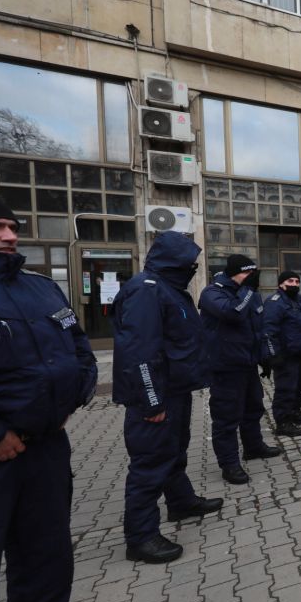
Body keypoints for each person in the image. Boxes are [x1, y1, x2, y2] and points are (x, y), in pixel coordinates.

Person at [0, 198, 97, 602]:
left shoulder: (41, 288)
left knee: (46, 557)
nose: (9, 235)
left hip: (46, 448)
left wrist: (71, 400)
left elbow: (78, 346)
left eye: (12, 226)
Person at [112, 231, 223, 563]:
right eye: (189, 261)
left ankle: (180, 502)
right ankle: (141, 537)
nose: (194, 266)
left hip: (175, 391)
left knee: (174, 453)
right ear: (172, 260)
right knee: (149, 465)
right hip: (155, 398)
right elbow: (139, 354)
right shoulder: (146, 292)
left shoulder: (170, 290)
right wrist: (151, 402)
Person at [199, 255, 282, 485]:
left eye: (252, 274)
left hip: (247, 364)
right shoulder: (212, 293)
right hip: (225, 366)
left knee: (253, 408)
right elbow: (232, 313)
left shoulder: (251, 295)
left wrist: (264, 357)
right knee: (226, 417)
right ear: (232, 273)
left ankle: (253, 447)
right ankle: (229, 464)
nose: (250, 279)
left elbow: (259, 327)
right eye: (246, 274)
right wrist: (246, 290)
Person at [262, 271, 301, 438]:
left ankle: (295, 412)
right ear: (281, 284)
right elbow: (268, 331)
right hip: (285, 355)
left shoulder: (300, 301)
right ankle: (283, 422)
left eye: (296, 281)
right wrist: (273, 355)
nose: (294, 284)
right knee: (286, 389)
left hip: (300, 353)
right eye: (290, 281)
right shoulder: (275, 303)